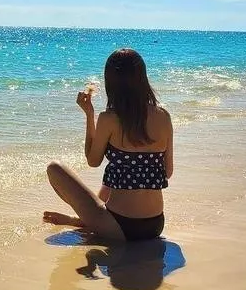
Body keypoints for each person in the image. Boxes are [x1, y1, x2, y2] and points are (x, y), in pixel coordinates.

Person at [43, 48, 173, 241]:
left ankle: (83, 221)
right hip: (155, 224)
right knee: (123, 170)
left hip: (119, 226)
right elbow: (167, 172)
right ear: (142, 79)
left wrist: (89, 115)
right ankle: (87, 221)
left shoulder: (109, 119)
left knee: (54, 168)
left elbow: (93, 161)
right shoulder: (164, 116)